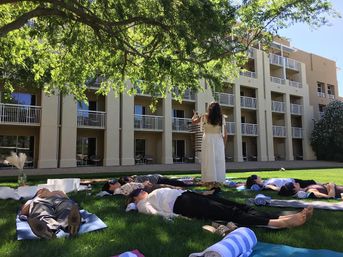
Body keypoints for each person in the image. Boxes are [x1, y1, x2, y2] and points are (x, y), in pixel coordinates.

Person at [130, 188, 313, 228]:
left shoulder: (151, 193)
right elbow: (155, 214)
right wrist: (178, 218)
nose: (143, 191)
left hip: (189, 196)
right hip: (183, 204)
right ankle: (275, 223)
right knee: (230, 213)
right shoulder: (141, 204)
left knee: (237, 205)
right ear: (136, 197)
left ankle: (279, 217)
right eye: (139, 191)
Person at [192, 102, 227, 184]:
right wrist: (224, 145)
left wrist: (194, 115)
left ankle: (208, 180)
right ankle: (218, 179)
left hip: (207, 139)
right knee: (218, 160)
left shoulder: (204, 116)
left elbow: (193, 121)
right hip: (218, 140)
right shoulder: (221, 118)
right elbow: (225, 134)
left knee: (208, 159)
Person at [102, 179, 220, 197]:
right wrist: (144, 185)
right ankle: (204, 193)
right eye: (113, 182)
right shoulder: (119, 190)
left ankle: (204, 192)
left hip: (148, 187)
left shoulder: (121, 188)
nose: (116, 182)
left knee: (174, 187)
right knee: (175, 189)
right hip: (149, 189)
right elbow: (134, 191)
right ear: (110, 186)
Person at [245, 174, 316, 191]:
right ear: (255, 180)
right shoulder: (267, 185)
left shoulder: (264, 182)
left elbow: (245, 184)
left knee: (312, 183)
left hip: (292, 180)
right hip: (293, 182)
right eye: (256, 176)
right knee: (312, 182)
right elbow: (276, 188)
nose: (258, 176)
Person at [279, 182, 343, 198]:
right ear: (294, 190)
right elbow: (331, 197)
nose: (294, 183)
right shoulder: (310, 191)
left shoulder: (306, 188)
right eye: (292, 184)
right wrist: (331, 186)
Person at [118, 174, 195, 187]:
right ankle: (193, 182)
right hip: (158, 180)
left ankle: (192, 181)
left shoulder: (135, 178)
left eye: (127, 177)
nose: (129, 178)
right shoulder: (134, 182)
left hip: (158, 178)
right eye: (127, 179)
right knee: (176, 182)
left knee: (176, 181)